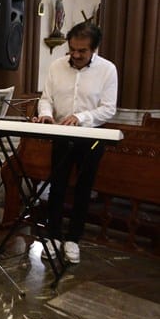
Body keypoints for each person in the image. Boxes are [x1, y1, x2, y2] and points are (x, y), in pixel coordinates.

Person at [34, 21, 118, 264]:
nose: (77, 55)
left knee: (83, 189)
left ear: (94, 49)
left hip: (91, 136)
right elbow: (46, 98)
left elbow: (108, 108)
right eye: (73, 50)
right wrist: (47, 113)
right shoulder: (57, 66)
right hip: (61, 134)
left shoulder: (107, 70)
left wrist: (81, 118)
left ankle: (73, 239)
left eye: (83, 51)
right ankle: (53, 236)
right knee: (57, 186)